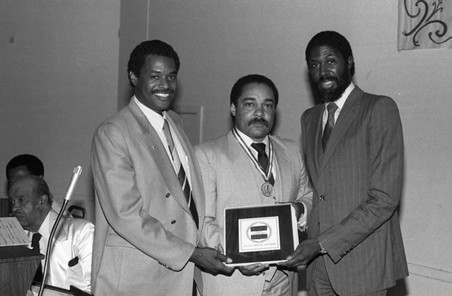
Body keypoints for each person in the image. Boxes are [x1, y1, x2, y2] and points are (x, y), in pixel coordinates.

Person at [90, 39, 232, 296]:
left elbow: (188, 203)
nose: (165, 85)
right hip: (138, 279)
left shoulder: (175, 122)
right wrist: (192, 253)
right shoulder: (113, 133)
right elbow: (126, 215)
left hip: (181, 276)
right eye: (155, 76)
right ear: (134, 77)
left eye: (171, 76)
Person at [280, 31, 408, 296]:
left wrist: (321, 243)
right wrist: (300, 212)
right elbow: (322, 189)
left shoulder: (379, 108)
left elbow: (384, 199)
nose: (323, 70)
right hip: (318, 267)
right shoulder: (310, 118)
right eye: (314, 64)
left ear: (349, 62)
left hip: (363, 263)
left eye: (330, 60)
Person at [194, 74, 314, 296]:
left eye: (267, 105)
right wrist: (239, 254)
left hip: (283, 281)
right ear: (233, 108)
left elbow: (308, 196)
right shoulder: (207, 155)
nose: (260, 113)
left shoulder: (291, 151)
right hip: (231, 283)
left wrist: (298, 209)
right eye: (250, 104)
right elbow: (202, 222)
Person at [8, 175, 94, 292]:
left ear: (42, 201)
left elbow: (96, 288)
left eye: (21, 200)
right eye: (12, 202)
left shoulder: (81, 232)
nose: (14, 208)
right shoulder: (14, 239)